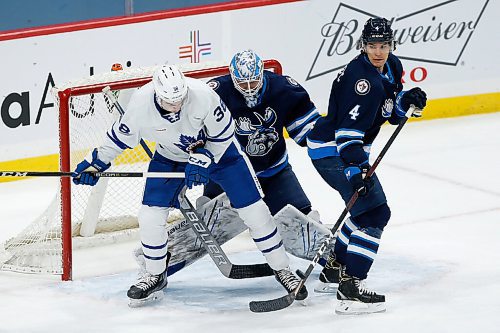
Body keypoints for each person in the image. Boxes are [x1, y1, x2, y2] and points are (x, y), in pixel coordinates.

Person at [71, 64, 307, 306]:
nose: (176, 106)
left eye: (180, 99)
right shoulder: (141, 103)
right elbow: (118, 140)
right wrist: (94, 165)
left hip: (223, 155)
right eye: (169, 102)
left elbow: (224, 135)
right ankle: (154, 274)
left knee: (255, 211)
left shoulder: (203, 94)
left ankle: (282, 269)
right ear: (157, 94)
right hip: (170, 157)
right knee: (150, 216)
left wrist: (204, 158)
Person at [307, 17, 427, 314]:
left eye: (383, 45)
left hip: (348, 149)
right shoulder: (362, 83)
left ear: (391, 45)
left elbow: (388, 112)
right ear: (363, 46)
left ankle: (334, 268)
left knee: (363, 211)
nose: (378, 51)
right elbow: (348, 134)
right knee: (375, 213)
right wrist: (355, 170)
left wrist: (406, 102)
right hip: (333, 151)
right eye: (372, 45)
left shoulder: (392, 66)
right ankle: (351, 288)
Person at [205, 49, 321, 218]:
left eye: (254, 82)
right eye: (243, 83)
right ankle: (209, 201)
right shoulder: (215, 93)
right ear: (232, 77)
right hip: (229, 172)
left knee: (301, 215)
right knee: (210, 211)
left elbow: (307, 130)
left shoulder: (283, 89)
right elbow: (196, 132)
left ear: (262, 74)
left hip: (273, 170)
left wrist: (329, 138)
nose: (250, 88)